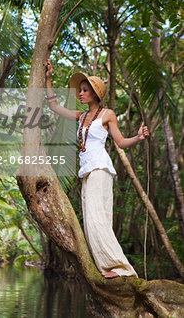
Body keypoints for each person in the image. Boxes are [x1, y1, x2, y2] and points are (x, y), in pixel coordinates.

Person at [45, 58, 149, 279]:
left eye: (85, 90)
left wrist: (139, 137)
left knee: (97, 218)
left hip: (100, 169)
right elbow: (54, 106)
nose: (81, 94)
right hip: (86, 172)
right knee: (92, 220)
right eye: (80, 90)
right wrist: (48, 77)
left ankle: (120, 268)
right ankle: (108, 267)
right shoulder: (81, 117)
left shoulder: (107, 114)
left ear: (95, 93)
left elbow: (120, 143)